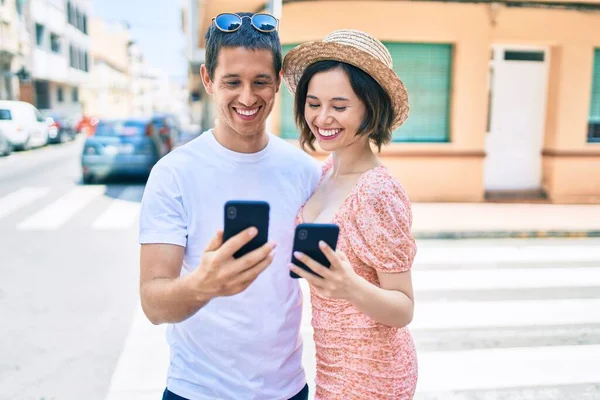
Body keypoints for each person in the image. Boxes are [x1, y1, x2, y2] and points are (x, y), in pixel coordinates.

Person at [138, 12, 321, 400]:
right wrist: (203, 285)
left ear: (278, 83)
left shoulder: (306, 172)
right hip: (197, 390)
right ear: (207, 79)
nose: (248, 97)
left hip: (287, 390)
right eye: (232, 82)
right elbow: (153, 303)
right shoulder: (173, 173)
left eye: (261, 82)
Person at [282, 29, 419, 399]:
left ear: (371, 109)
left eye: (339, 106)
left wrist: (350, 287)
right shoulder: (326, 171)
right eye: (313, 103)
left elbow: (403, 308)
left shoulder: (377, 191)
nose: (322, 117)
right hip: (331, 364)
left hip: (373, 374)